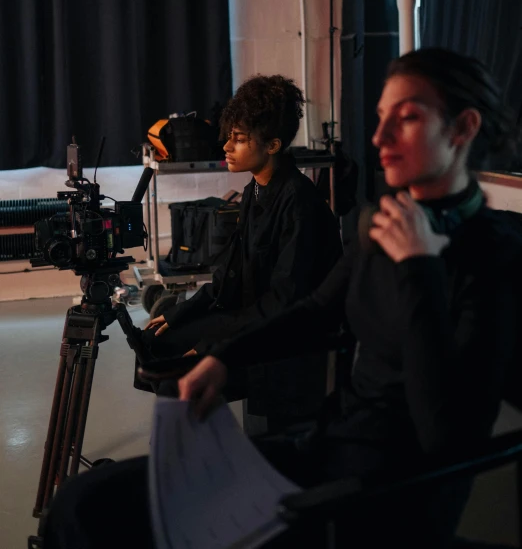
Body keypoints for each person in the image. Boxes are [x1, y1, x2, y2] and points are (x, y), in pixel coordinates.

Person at [43, 48, 522, 549]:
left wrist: (421, 270)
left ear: (463, 128)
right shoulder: (386, 221)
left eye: (407, 118)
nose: (379, 138)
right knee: (81, 501)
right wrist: (224, 358)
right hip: (328, 446)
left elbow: (445, 436)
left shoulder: (497, 257)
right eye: (380, 117)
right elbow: (316, 309)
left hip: (380, 490)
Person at [137, 73, 342, 422]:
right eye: (229, 137)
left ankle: (202, 461)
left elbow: (284, 302)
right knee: (153, 346)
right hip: (253, 317)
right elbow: (229, 275)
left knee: (177, 376)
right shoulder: (254, 190)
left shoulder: (299, 202)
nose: (227, 148)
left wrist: (211, 349)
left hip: (288, 338)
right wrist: (179, 313)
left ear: (273, 145)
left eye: (240, 140)